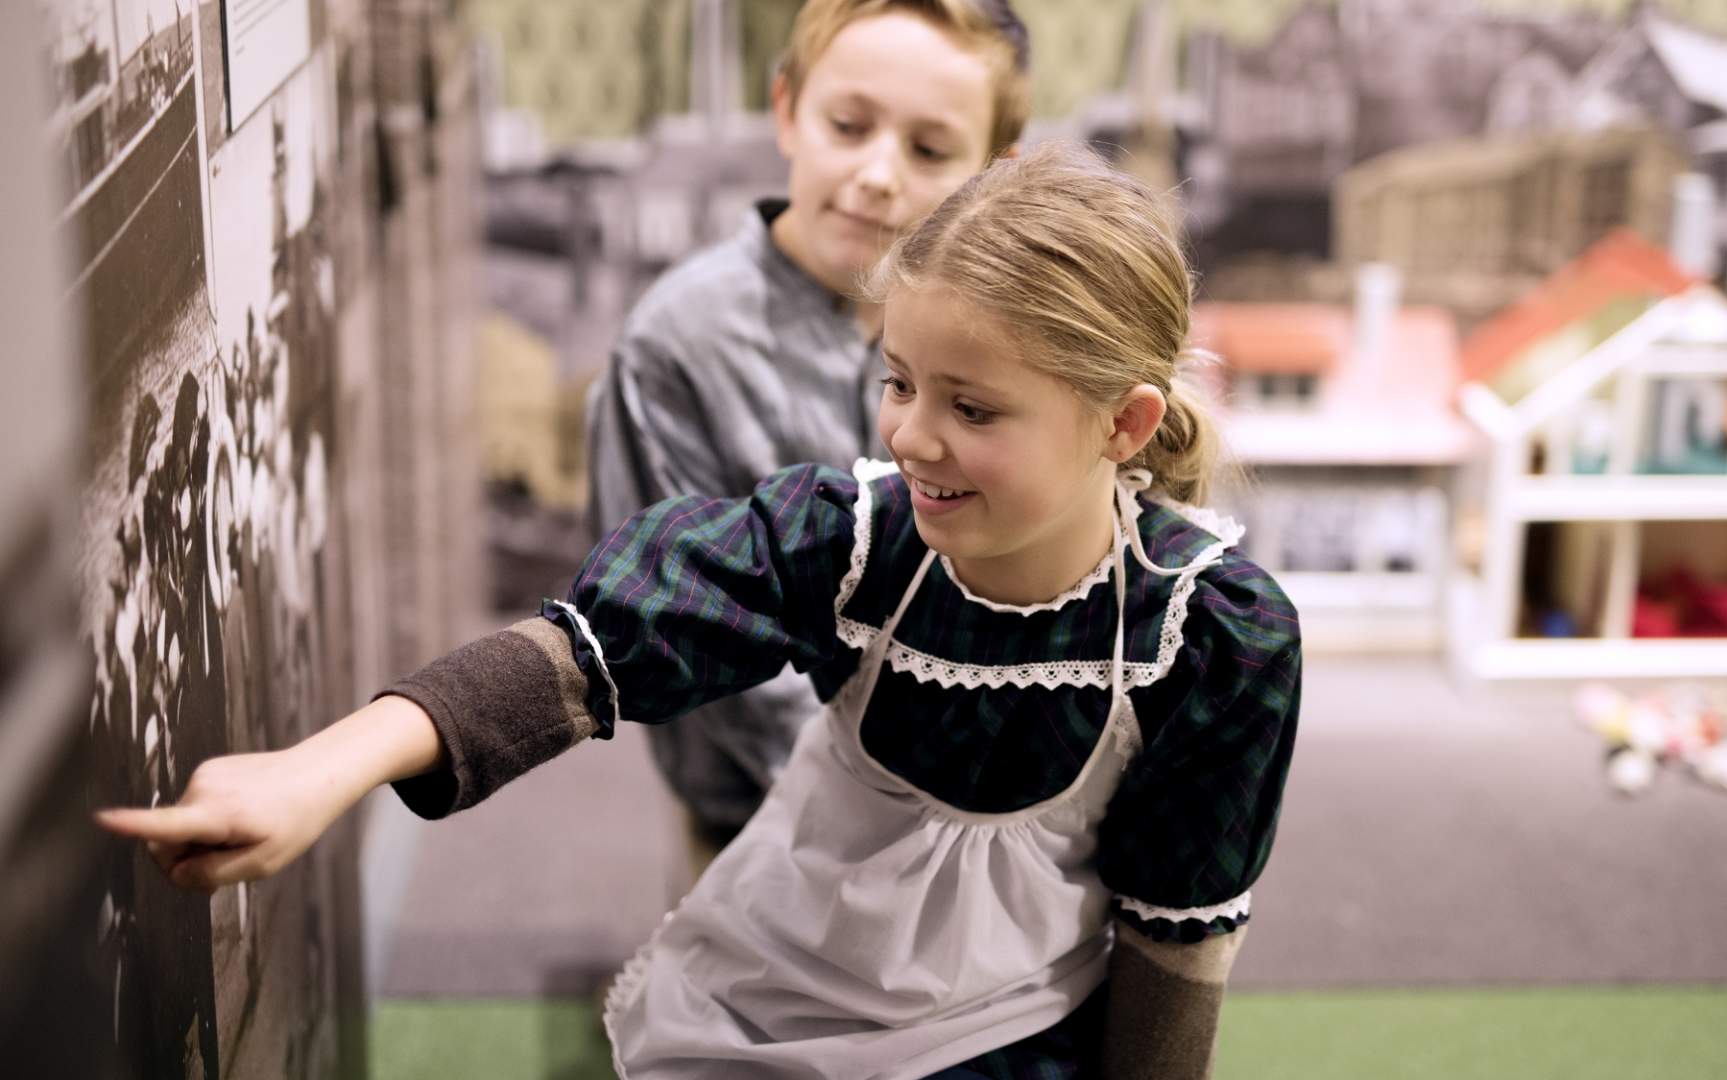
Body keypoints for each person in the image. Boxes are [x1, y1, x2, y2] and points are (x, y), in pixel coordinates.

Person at [99, 144, 1303, 1079]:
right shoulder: (851, 540)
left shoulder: (1211, 637)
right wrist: (327, 769)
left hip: (1011, 1035)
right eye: (896, 381)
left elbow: (1173, 936)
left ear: (1124, 424)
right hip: (779, 1003)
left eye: (973, 409)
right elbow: (603, 642)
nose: (912, 435)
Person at [588, 0, 1032, 873]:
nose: (877, 175)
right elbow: (692, 634)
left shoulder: (1013, 333)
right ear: (787, 109)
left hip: (997, 813)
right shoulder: (677, 344)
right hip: (766, 839)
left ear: (994, 168)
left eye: (931, 150)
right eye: (848, 125)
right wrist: (919, 813)